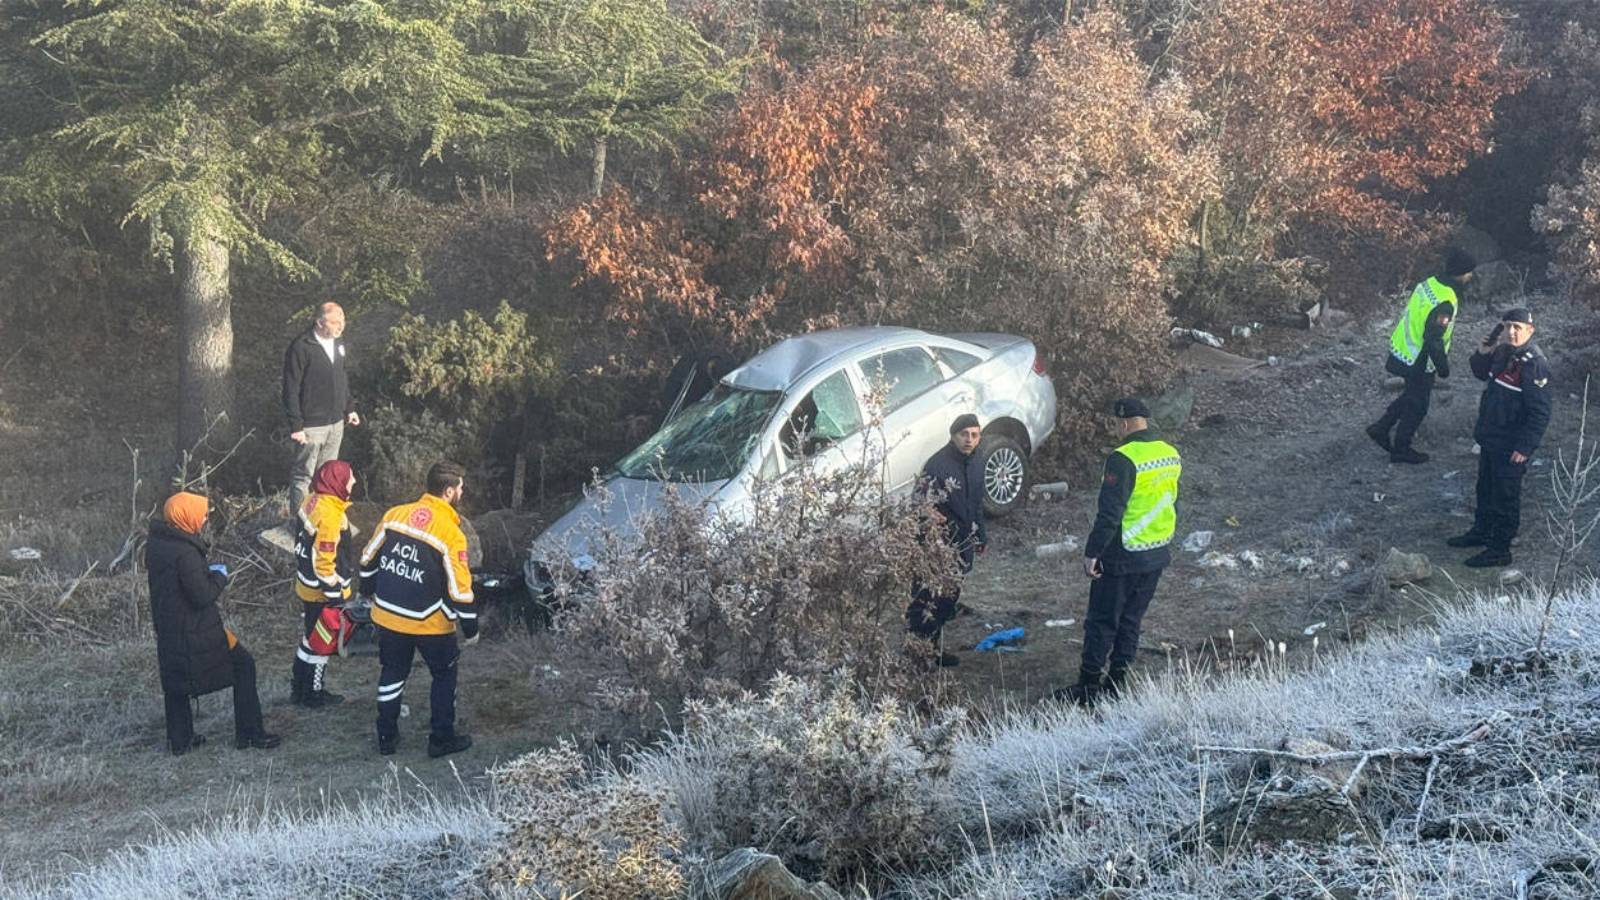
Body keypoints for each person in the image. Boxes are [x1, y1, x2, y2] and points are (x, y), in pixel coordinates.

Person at [1059, 399, 1181, 706]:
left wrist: (1092, 552)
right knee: (1131, 620)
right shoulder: (1170, 453)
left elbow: (1110, 512)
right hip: (1156, 551)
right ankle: (1117, 683)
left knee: (1102, 621)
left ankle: (1088, 687)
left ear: (1124, 423)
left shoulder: (1122, 458)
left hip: (1122, 553)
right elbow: (1173, 501)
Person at [146, 492, 280, 755]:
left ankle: (180, 741)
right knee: (244, 665)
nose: (206, 519)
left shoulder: (158, 544)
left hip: (169, 627)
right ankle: (251, 734)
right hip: (194, 629)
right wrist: (219, 576)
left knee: (175, 682)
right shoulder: (185, 552)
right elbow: (202, 595)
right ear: (187, 516)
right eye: (203, 514)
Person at [359, 461, 477, 757]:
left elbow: (367, 559)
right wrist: (471, 628)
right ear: (449, 491)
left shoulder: (394, 515)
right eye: (461, 487)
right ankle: (441, 738)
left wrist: (367, 592)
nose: (463, 491)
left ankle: (386, 736)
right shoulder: (451, 533)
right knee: (444, 675)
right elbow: (460, 588)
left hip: (387, 615)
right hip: (430, 622)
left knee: (392, 672)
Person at [1448, 308, 1553, 568]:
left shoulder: (1534, 363)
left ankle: (1499, 550)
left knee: (1505, 496)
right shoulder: (1503, 351)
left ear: (1530, 330)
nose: (1511, 332)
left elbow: (1540, 412)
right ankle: (1481, 532)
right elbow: (1481, 373)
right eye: (1507, 326)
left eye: (1517, 327)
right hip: (1491, 437)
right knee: (1485, 489)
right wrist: (1482, 352)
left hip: (1511, 444)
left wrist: (1525, 447)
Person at [1366, 249, 1477, 464]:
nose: (1471, 276)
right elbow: (1434, 338)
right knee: (1418, 405)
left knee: (1411, 395)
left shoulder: (1429, 283)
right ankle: (1401, 449)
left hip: (1402, 349)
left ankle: (1381, 428)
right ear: (1461, 273)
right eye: (1469, 272)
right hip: (1419, 359)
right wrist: (1442, 367)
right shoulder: (1446, 300)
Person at [906, 414, 987, 667]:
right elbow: (920, 506)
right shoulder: (937, 466)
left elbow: (976, 503)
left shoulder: (976, 462)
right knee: (926, 599)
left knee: (948, 599)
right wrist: (933, 537)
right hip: (936, 546)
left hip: (962, 544)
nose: (969, 440)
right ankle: (917, 653)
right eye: (964, 434)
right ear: (953, 436)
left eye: (974, 435)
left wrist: (980, 534)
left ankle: (932, 650)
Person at [282, 301, 359, 519]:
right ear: (319, 322)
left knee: (327, 476)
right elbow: (290, 388)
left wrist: (349, 408)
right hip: (310, 426)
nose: (340, 326)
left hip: (336, 423)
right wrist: (296, 425)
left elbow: (342, 378)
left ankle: (320, 519)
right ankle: (299, 525)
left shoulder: (339, 343)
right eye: (335, 322)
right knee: (303, 476)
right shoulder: (301, 347)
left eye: (343, 321)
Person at [290, 459, 357, 708]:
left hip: (306, 585)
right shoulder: (331, 516)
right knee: (323, 642)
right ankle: (315, 693)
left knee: (309, 638)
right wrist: (335, 595)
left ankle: (299, 688)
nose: (354, 482)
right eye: (350, 478)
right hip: (322, 592)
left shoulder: (311, 500)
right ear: (338, 482)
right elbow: (325, 561)